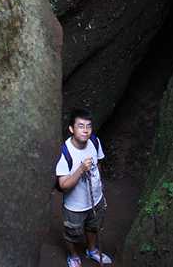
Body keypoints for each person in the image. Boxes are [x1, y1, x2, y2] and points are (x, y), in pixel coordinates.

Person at [56, 108, 113, 267]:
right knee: (72, 234)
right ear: (71, 129)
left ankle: (92, 250)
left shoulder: (95, 141)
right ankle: (73, 255)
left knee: (93, 227)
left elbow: (99, 163)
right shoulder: (64, 152)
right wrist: (80, 170)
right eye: (80, 126)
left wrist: (100, 185)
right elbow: (63, 185)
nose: (86, 130)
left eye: (88, 126)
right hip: (75, 206)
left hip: (96, 199)